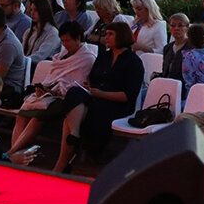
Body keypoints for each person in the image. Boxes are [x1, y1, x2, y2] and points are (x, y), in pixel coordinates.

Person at [52, 22, 144, 172]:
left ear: (121, 36)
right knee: (74, 93)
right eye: (106, 33)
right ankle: (74, 133)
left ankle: (62, 162)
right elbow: (93, 78)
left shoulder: (133, 62)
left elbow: (128, 95)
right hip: (96, 96)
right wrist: (90, 86)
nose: (106, 37)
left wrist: (101, 93)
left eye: (110, 34)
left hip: (117, 104)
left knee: (76, 114)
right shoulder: (104, 56)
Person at [8, 22, 95, 154]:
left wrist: (55, 90)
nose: (65, 44)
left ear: (78, 38)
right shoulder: (62, 55)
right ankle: (16, 152)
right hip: (49, 95)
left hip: (64, 99)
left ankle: (12, 152)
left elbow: (77, 84)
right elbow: (53, 76)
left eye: (68, 40)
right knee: (22, 115)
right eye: (63, 41)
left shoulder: (87, 58)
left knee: (37, 116)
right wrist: (45, 88)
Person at [161, 13, 191, 82]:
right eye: (173, 26)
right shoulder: (167, 48)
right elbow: (165, 72)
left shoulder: (191, 47)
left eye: (180, 26)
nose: (176, 28)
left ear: (187, 28)